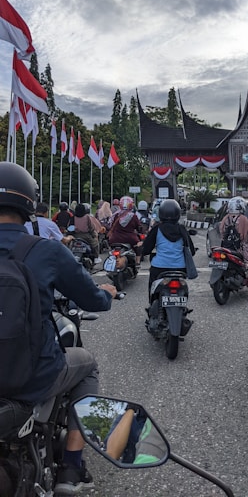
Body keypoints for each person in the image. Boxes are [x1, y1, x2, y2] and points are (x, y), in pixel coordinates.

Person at [0, 162, 117, 494]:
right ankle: (72, 466)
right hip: (32, 376)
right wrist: (107, 294)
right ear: (28, 205)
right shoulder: (45, 250)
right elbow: (92, 299)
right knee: (88, 364)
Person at [142, 199, 195, 299]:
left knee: (153, 288)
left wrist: (143, 251)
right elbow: (191, 250)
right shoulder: (181, 229)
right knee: (182, 287)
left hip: (159, 268)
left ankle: (153, 303)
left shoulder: (157, 229)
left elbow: (146, 249)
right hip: (180, 268)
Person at [219, 196, 248, 294]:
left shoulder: (225, 218)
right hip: (241, 247)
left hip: (226, 247)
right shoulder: (243, 219)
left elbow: (221, 231)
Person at [108, 196, 143, 265]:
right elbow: (139, 227)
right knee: (139, 246)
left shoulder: (115, 215)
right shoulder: (133, 216)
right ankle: (138, 261)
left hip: (115, 239)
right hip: (130, 239)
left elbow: (111, 226)